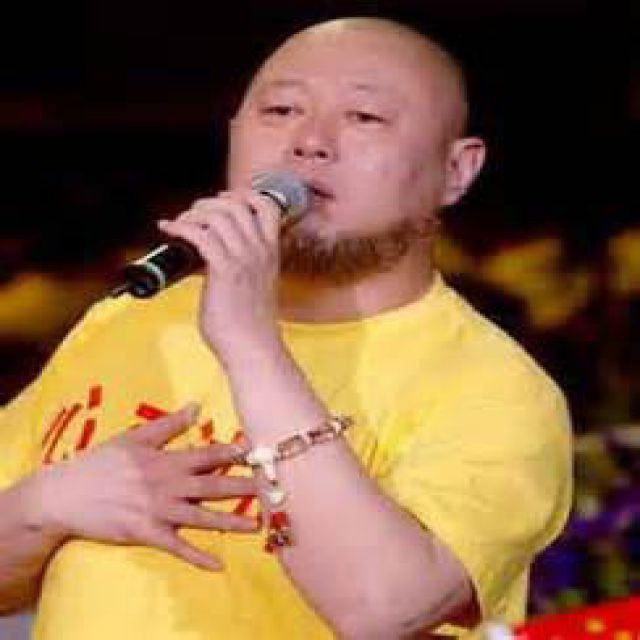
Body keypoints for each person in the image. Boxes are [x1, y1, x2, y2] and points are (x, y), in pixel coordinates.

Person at [0, 17, 573, 639]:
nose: (310, 142)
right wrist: (45, 505)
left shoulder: (495, 389)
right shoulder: (131, 321)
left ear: (457, 170)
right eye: (280, 111)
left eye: (364, 117)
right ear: (233, 136)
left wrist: (249, 344)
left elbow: (381, 608)